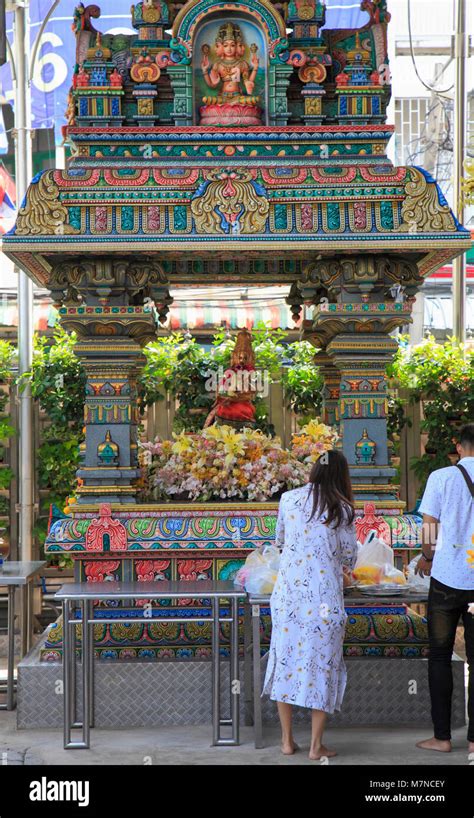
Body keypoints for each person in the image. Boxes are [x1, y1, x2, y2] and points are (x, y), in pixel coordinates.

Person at [262, 449, 358, 760]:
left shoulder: (288, 499)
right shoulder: (342, 508)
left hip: (288, 597)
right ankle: (316, 747)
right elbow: (349, 558)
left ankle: (287, 741)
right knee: (323, 667)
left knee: (285, 662)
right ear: (341, 476)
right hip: (324, 602)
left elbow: (279, 541)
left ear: (314, 471)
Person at [415, 423, 474, 754]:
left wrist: (427, 557)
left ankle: (442, 737)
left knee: (439, 655)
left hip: (448, 578)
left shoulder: (441, 477)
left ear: (459, 447)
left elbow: (429, 527)